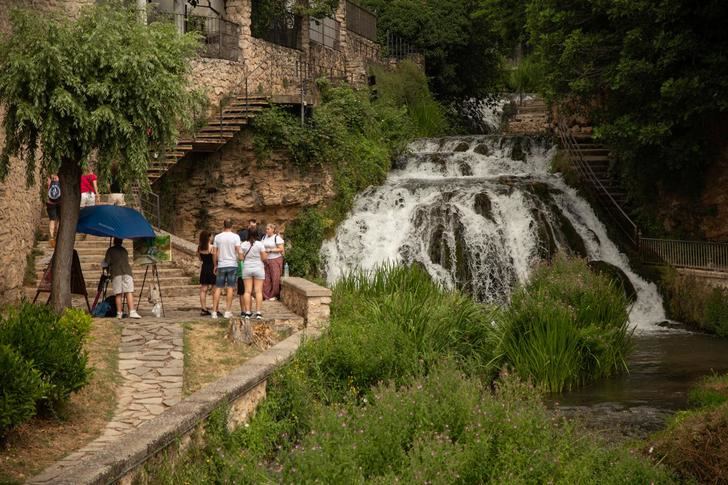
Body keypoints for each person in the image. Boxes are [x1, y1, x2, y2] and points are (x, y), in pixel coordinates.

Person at [104, 238, 141, 319]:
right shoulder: (124, 250)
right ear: (121, 242)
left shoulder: (110, 250)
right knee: (129, 292)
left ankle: (119, 313)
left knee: (118, 294)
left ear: (114, 241)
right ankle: (132, 311)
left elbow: (106, 263)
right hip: (127, 272)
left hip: (116, 272)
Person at [211, 219, 241, 319]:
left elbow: (214, 253)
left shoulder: (218, 237)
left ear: (223, 225)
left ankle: (214, 312)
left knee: (218, 288)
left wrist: (215, 265)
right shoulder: (235, 237)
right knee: (230, 288)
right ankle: (227, 311)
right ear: (231, 225)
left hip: (221, 265)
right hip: (232, 264)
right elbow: (238, 250)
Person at [240, 229, 267, 320]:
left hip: (247, 268)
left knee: (247, 291)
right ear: (257, 235)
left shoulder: (243, 244)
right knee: (258, 291)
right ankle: (258, 312)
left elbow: (240, 257)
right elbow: (264, 258)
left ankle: (247, 312)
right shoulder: (260, 244)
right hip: (258, 268)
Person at [262, 223, 285, 301]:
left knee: (275, 277)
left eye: (268, 229)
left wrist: (271, 250)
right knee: (266, 278)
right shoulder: (264, 237)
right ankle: (266, 295)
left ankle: (274, 295)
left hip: (275, 259)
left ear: (272, 230)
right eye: (266, 229)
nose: (266, 230)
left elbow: (281, 249)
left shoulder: (276, 238)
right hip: (266, 260)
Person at [197, 230, 215, 316]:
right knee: (214, 289)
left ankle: (203, 309)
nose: (212, 238)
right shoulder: (212, 247)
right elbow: (215, 259)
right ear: (208, 237)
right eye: (211, 236)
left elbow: (200, 259)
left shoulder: (199, 248)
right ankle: (215, 308)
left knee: (203, 289)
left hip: (204, 268)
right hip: (212, 268)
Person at [46, 174, 61, 248]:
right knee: (58, 219)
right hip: (59, 202)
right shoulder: (60, 180)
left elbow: (47, 191)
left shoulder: (49, 180)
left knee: (52, 219)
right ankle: (58, 235)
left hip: (50, 203)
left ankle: (51, 236)